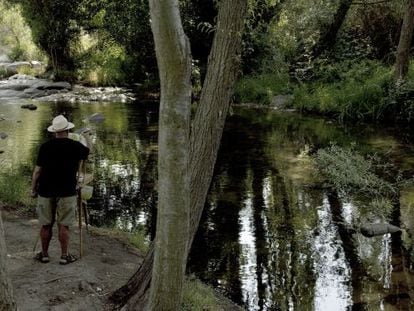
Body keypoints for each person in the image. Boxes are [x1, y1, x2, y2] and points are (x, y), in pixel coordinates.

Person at [31, 115, 90, 264]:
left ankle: (44, 254)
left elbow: (37, 171)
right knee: (64, 224)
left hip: (45, 190)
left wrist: (33, 189)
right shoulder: (75, 146)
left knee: (46, 224)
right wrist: (87, 136)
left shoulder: (45, 147)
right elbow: (89, 151)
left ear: (54, 131)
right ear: (68, 129)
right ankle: (64, 256)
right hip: (67, 190)